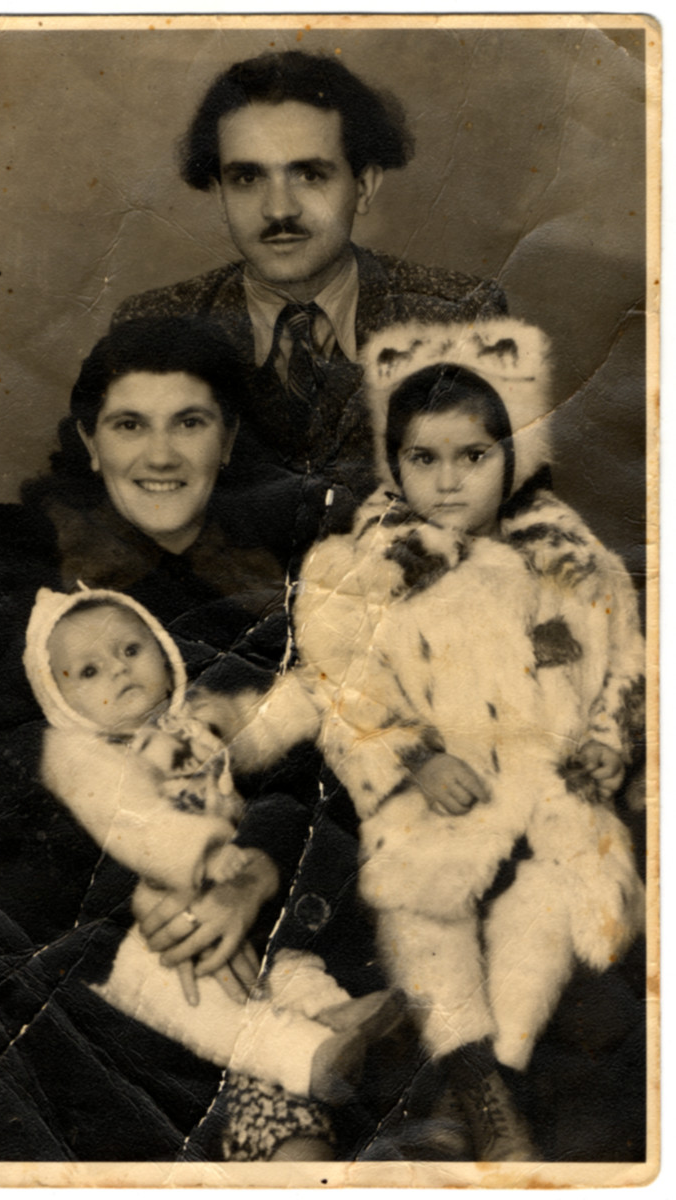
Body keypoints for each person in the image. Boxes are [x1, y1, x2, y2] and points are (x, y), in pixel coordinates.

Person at [0, 314, 371, 1162]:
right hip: (74, 927)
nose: (160, 454)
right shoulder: (6, 563)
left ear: (228, 438)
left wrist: (249, 877)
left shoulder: (285, 575)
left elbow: (317, 763)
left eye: (190, 421)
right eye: (128, 424)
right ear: (88, 442)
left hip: (254, 901)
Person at [223, 318, 646, 1160]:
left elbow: (624, 660)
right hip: (436, 791)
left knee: (558, 910)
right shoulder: (369, 567)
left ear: (510, 457)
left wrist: (608, 739)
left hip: (552, 782)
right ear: (394, 463)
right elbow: (344, 685)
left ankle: (498, 1082)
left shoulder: (568, 559)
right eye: (425, 459)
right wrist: (417, 756)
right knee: (424, 903)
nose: (449, 481)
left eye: (473, 457)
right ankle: (470, 1079)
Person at [21, 583, 403, 1116]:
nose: (117, 671)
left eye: (130, 650)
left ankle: (334, 1015)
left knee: (283, 959)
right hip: (152, 912)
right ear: (59, 701)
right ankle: (302, 1056)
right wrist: (200, 855)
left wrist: (308, 695)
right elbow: (133, 820)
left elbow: (256, 726)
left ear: (162, 647)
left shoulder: (191, 718)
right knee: (193, 997)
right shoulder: (81, 754)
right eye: (88, 672)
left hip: (230, 877)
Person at [111, 50, 508, 538]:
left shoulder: (461, 317)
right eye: (247, 178)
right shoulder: (155, 324)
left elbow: (515, 529)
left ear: (363, 186)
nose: (279, 208)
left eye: (310, 175)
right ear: (218, 193)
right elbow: (117, 534)